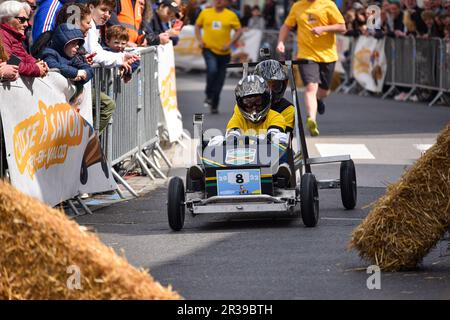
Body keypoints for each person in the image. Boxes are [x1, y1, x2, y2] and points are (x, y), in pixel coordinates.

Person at [277, 0, 346, 136]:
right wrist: (280, 42)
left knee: (324, 91)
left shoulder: (328, 4)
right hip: (306, 54)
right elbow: (286, 26)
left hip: (328, 55)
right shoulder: (297, 6)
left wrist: (323, 28)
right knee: (310, 87)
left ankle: (319, 100)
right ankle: (312, 119)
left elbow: (342, 27)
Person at [195, 0, 242, 114]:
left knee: (220, 80)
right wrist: (200, 40)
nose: (219, 1)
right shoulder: (205, 12)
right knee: (212, 70)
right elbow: (197, 26)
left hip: (224, 53)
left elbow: (239, 30)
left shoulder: (231, 15)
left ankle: (214, 104)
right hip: (209, 49)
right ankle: (209, 94)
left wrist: (230, 43)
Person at [0, 0, 48, 78]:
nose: (26, 24)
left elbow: (23, 56)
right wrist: (36, 69)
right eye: (22, 20)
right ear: (6, 19)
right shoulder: (3, 35)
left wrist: (38, 63)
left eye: (27, 20)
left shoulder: (14, 36)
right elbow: (9, 62)